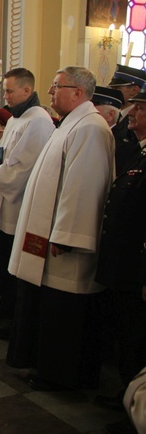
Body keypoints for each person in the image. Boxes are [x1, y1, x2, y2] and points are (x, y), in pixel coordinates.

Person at [6, 66, 115, 391]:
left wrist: (67, 237)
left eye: (57, 87)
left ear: (78, 92)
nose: (50, 93)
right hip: (50, 238)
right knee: (49, 310)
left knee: (65, 315)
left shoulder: (91, 128)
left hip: (65, 245)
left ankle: (63, 378)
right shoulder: (71, 124)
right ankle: (46, 368)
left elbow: (83, 188)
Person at [0, 68, 55, 328]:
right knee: (1, 257)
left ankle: (15, 316)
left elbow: (25, 165)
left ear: (27, 90)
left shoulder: (39, 120)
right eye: (5, 91)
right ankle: (4, 304)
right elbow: (1, 154)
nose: (5, 96)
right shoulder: (14, 119)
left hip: (16, 201)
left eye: (9, 91)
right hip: (0, 193)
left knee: (13, 260)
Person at [93, 90, 146, 425]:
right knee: (127, 331)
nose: (135, 112)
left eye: (141, 108)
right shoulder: (139, 154)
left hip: (137, 266)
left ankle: (134, 403)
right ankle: (129, 394)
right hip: (124, 261)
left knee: (136, 335)